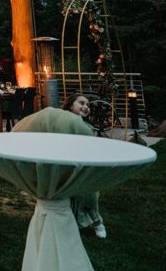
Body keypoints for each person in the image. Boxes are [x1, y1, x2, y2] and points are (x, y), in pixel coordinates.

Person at [12, 96, 107, 240]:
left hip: (76, 163)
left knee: (88, 192)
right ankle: (65, 223)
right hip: (59, 163)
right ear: (70, 106)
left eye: (88, 105)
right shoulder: (60, 119)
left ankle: (97, 221)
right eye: (81, 103)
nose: (86, 107)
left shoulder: (82, 126)